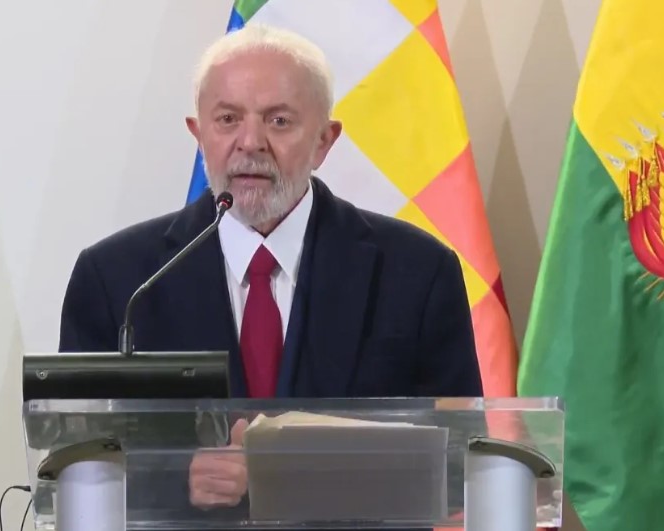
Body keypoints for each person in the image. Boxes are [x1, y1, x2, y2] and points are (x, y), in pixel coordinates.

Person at [58, 23, 482, 519]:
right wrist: (175, 478)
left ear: (324, 141)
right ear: (199, 134)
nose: (250, 142)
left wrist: (291, 473)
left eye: (279, 121)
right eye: (227, 119)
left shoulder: (417, 272)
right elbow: (76, 465)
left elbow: (457, 466)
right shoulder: (118, 280)